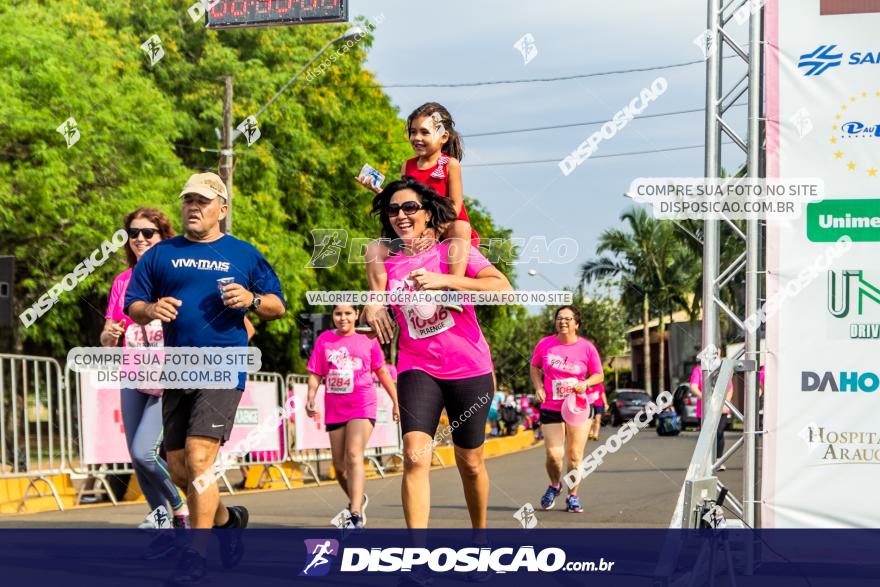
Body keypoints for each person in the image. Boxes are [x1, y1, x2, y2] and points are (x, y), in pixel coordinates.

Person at [125, 173, 286, 584]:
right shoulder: (161, 255)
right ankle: (228, 520)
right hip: (177, 368)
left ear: (222, 209)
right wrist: (151, 310)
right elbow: (134, 304)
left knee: (199, 459)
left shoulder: (244, 254)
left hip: (223, 365)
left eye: (202, 201)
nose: (193, 207)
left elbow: (276, 306)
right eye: (187, 201)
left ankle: (194, 556)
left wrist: (252, 300)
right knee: (177, 466)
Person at [369, 176, 511, 528]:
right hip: (418, 368)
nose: (400, 215)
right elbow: (375, 295)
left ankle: (480, 538)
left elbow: (503, 288)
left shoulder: (453, 251)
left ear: (429, 214)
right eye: (393, 210)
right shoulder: (387, 259)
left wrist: (447, 280)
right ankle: (417, 557)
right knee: (415, 458)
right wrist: (372, 305)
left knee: (470, 462)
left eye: (410, 208)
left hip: (468, 367)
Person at [102, 208, 188, 549]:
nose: (139, 238)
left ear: (163, 237)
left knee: (145, 452)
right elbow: (108, 337)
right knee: (135, 457)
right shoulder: (122, 282)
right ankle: (162, 523)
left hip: (168, 376)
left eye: (148, 233)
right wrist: (108, 335)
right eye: (133, 233)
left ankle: (179, 506)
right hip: (133, 373)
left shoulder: (175, 276)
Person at [359, 103, 477, 342]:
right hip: (418, 228)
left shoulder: (448, 165)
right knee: (373, 248)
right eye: (413, 132)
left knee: (462, 226)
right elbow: (405, 199)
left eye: (424, 132)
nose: (416, 137)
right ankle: (380, 305)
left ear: (443, 136)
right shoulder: (408, 165)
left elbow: (454, 206)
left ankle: (451, 292)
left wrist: (435, 230)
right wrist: (381, 193)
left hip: (446, 226)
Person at [305, 304, 399, 529]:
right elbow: (315, 373)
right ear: (333, 316)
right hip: (335, 406)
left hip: (362, 403)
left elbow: (382, 371)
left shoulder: (368, 338)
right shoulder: (325, 339)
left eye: (348, 313)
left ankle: (354, 513)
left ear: (357, 315)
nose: (343, 318)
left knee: (353, 453)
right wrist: (311, 397)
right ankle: (358, 499)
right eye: (338, 313)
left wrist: (396, 401)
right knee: (338, 466)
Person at [530, 306, 604, 513]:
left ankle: (573, 495)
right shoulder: (545, 344)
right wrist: (538, 387)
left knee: (574, 456)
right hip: (551, 406)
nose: (563, 321)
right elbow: (534, 367)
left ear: (576, 324)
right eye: (559, 318)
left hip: (578, 406)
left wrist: (586, 383)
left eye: (568, 319)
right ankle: (555, 485)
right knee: (554, 454)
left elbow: (599, 374)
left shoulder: (587, 348)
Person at [689, 362, 734, 471]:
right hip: (705, 409)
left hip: (721, 408)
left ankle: (718, 460)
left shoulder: (723, 369)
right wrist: (705, 399)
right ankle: (703, 462)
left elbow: (730, 388)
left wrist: (725, 402)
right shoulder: (699, 370)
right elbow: (693, 387)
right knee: (705, 436)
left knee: (719, 433)